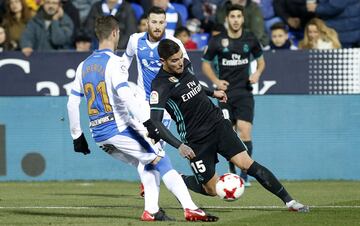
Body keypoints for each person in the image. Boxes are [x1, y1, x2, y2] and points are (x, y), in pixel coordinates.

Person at [67, 15, 218, 222]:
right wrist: (149, 123)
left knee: (147, 162)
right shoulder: (115, 63)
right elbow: (126, 96)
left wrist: (77, 136)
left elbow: (72, 103)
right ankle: (190, 208)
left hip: (99, 135)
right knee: (161, 159)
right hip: (119, 129)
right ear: (115, 33)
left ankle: (152, 210)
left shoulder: (82, 66)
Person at [145, 38, 310, 213]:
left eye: (179, 57)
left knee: (247, 163)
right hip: (195, 139)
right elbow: (155, 121)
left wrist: (212, 92)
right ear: (163, 61)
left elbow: (192, 84)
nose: (179, 63)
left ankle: (290, 202)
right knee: (211, 190)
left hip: (218, 124)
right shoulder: (160, 86)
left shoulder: (185, 63)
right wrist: (180, 145)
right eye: (174, 60)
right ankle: (178, 179)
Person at [123, 6, 188, 197]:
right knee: (147, 143)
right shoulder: (135, 40)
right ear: (147, 23)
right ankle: (148, 182)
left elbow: (185, 69)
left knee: (156, 144)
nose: (157, 26)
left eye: (161, 22)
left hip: (165, 104)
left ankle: (149, 181)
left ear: (165, 23)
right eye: (154, 22)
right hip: (142, 102)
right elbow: (125, 62)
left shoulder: (174, 43)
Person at [203, 4, 264, 186]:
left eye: (239, 16)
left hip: (244, 93)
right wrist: (216, 80)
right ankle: (232, 173)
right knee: (229, 134)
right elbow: (205, 64)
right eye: (233, 16)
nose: (236, 19)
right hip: (225, 95)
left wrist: (257, 74)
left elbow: (261, 62)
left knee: (245, 132)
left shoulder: (250, 39)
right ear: (227, 19)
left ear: (243, 19)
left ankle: (245, 175)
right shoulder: (217, 41)